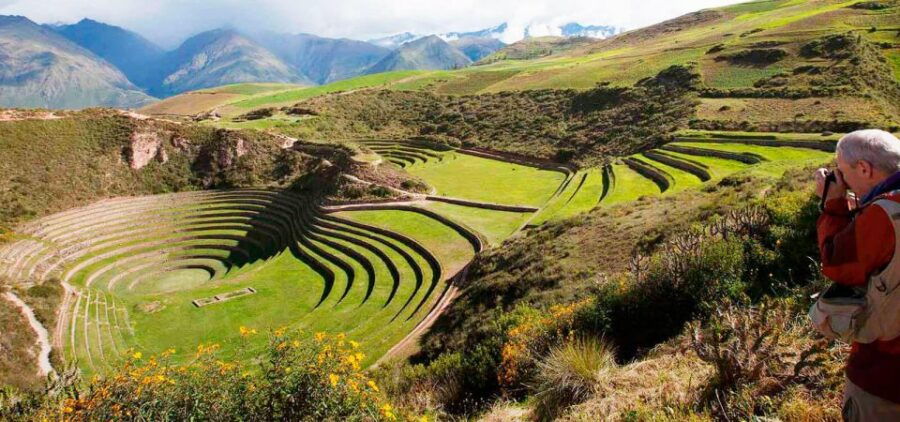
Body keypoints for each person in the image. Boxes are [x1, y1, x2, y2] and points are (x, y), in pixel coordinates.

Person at [815, 129, 900, 421]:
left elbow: (837, 264)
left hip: (886, 371)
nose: (842, 179)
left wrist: (834, 204)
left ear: (864, 168)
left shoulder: (885, 213)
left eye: (843, 171)